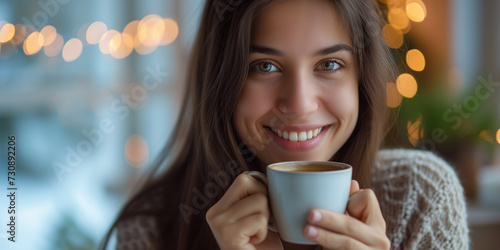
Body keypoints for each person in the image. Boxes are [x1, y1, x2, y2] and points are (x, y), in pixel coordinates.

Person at [101, 0, 469, 249]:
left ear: (362, 79)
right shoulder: (151, 229)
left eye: (329, 65)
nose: (299, 104)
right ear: (221, 82)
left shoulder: (422, 198)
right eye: (264, 66)